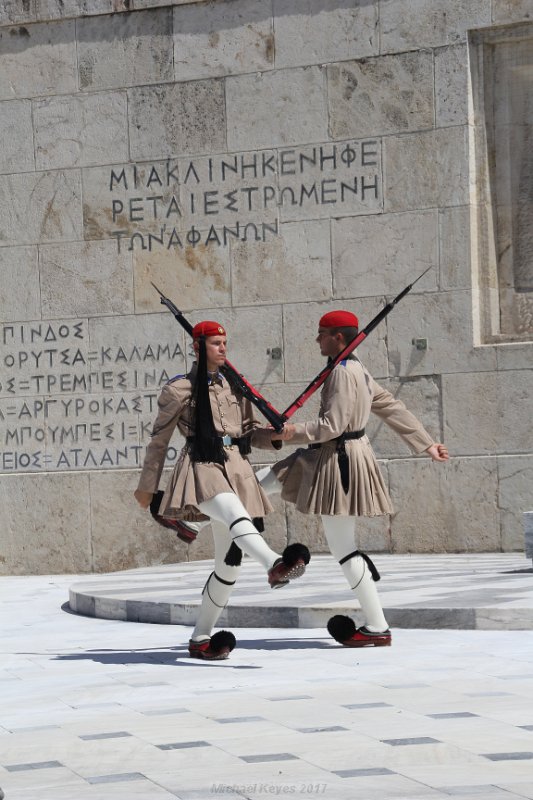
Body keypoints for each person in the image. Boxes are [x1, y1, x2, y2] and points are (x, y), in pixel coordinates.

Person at [256, 309, 449, 649]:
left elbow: (332, 426)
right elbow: (390, 406)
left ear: (338, 338)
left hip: (336, 458)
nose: (317, 339)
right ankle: (200, 519)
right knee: (260, 484)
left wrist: (290, 432)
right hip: (326, 454)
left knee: (344, 548)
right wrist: (426, 442)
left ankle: (377, 626)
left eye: (322, 333)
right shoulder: (354, 368)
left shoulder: (344, 372)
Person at [134, 320, 310, 660]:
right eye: (216, 343)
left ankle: (201, 639)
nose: (223, 348)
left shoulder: (235, 386)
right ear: (197, 348)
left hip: (236, 467)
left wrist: (274, 437)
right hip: (202, 466)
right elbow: (159, 441)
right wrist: (147, 487)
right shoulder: (179, 389)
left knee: (228, 566)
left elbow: (248, 434)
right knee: (233, 511)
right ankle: (275, 564)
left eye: (225, 342)